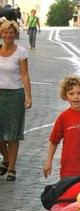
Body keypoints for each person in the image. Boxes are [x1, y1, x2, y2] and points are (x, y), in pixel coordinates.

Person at [0, 20, 32, 181]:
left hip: (15, 95)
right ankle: (5, 159)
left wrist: (28, 96)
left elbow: (24, 74)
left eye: (11, 32)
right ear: (1, 34)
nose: (8, 35)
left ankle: (11, 168)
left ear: (15, 34)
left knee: (12, 134)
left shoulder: (21, 52)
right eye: (5, 32)